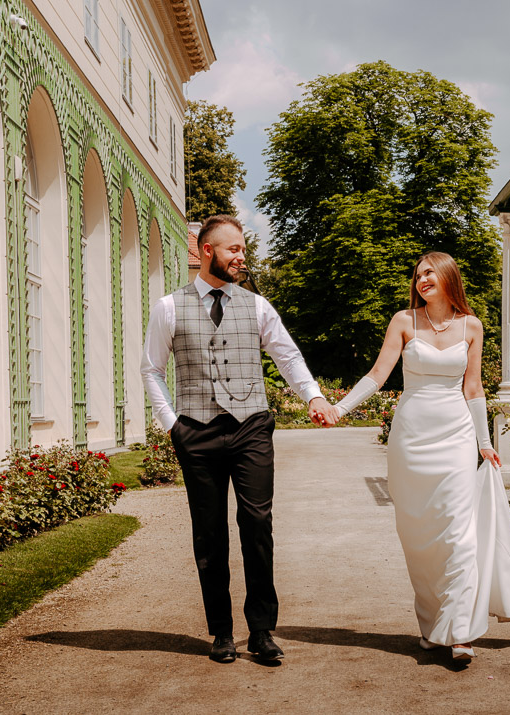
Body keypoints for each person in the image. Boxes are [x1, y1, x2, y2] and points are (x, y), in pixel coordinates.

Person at [141, 215, 337, 664]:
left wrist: (313, 396)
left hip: (251, 427)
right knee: (209, 534)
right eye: (234, 249)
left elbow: (287, 356)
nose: (241, 257)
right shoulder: (169, 307)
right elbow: (152, 369)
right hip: (196, 430)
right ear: (207, 250)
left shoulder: (257, 306)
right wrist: (172, 424)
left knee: (257, 525)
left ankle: (262, 631)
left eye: (243, 250)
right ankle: (222, 632)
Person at [328, 251, 510, 662]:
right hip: (410, 440)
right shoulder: (404, 321)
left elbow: (473, 388)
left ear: (447, 277)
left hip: (455, 438)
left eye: (429, 273)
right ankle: (432, 626)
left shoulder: (471, 326)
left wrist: (484, 442)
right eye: (418, 274)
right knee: (419, 539)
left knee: (458, 533)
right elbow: (377, 375)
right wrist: (340, 408)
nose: (422, 279)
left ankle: (460, 632)